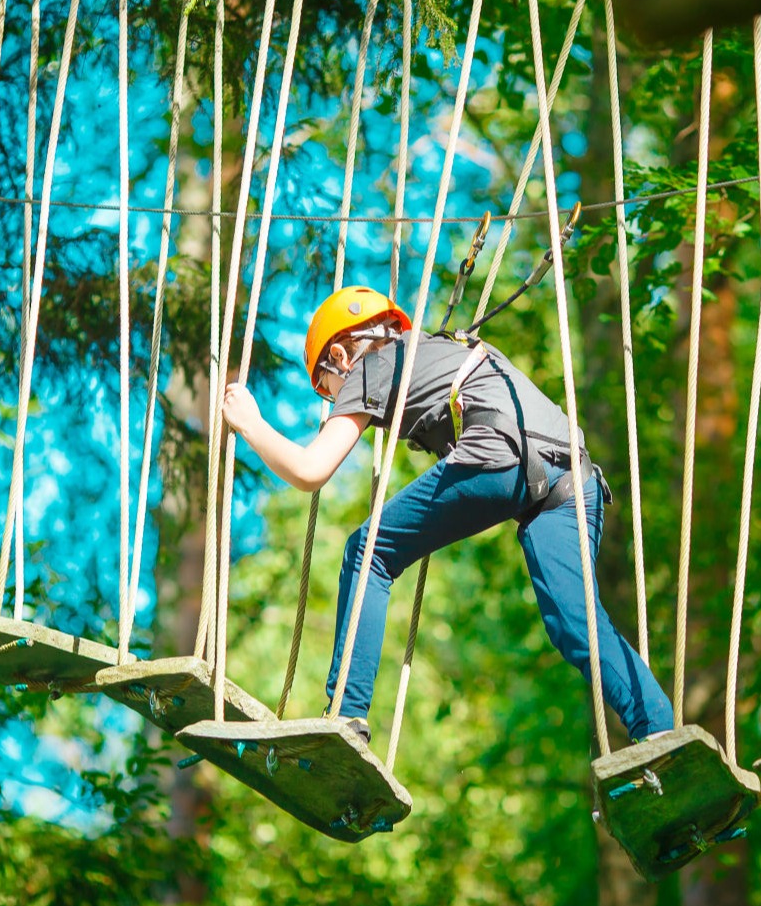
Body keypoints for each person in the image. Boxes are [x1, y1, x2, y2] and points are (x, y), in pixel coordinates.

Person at [222, 284, 672, 746]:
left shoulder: (369, 366)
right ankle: (658, 734)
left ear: (339, 354)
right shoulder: (441, 349)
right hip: (573, 476)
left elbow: (310, 470)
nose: (337, 401)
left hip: (499, 453)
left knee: (368, 550)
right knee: (577, 624)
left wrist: (251, 423)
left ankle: (345, 715)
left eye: (329, 388)